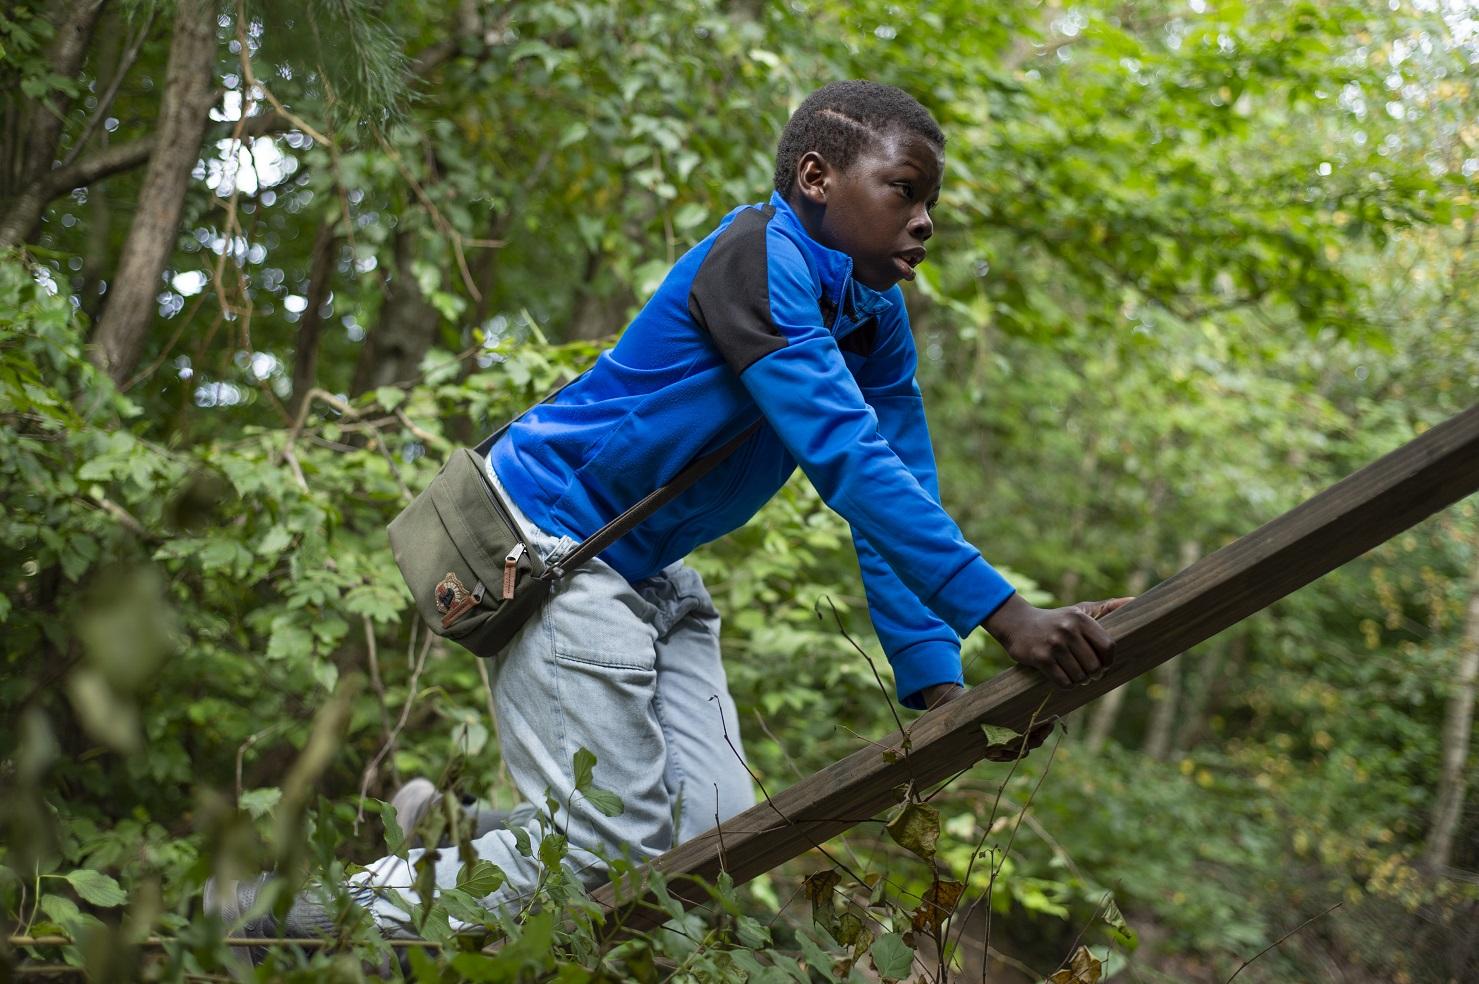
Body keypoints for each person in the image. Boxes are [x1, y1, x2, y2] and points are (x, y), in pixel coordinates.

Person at [208, 79, 1128, 945]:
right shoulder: (754, 259)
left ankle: (454, 830)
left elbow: (896, 490)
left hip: (641, 573)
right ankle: (265, 918)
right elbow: (845, 458)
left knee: (713, 842)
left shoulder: (873, 322)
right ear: (817, 178)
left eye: (931, 200)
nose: (924, 220)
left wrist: (937, 681)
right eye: (903, 189)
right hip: (551, 545)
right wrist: (1007, 618)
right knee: (608, 859)